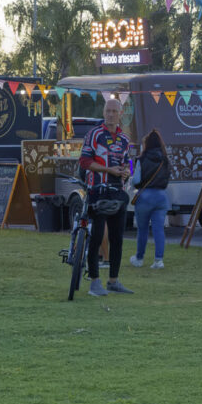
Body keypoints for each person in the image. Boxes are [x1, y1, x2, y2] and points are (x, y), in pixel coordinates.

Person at [78, 98, 132, 297]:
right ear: (103, 113)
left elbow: (130, 163)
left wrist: (126, 171)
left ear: (120, 114)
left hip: (118, 191)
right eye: (107, 111)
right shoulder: (94, 135)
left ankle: (113, 281)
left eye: (114, 111)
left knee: (117, 238)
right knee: (98, 236)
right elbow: (84, 161)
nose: (110, 114)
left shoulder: (124, 139)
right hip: (97, 190)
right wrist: (108, 169)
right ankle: (94, 282)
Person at [129, 129, 170, 270]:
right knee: (159, 229)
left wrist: (132, 184)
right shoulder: (165, 159)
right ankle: (159, 260)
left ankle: (139, 258)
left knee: (143, 230)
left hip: (144, 197)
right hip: (161, 197)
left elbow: (136, 179)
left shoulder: (141, 159)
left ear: (146, 144)